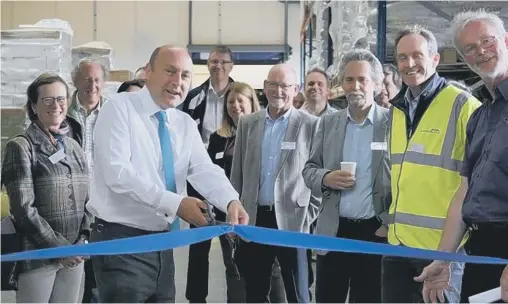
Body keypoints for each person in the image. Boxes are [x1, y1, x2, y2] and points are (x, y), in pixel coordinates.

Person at [86, 45, 249, 303]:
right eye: (170, 71)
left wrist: (230, 200)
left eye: (185, 75)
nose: (177, 81)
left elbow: (203, 168)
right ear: (148, 72)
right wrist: (177, 203)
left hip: (162, 242)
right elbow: (118, 173)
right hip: (122, 241)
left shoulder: (182, 123)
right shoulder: (119, 109)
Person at [381, 25, 481, 303]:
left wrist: (446, 256)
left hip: (441, 250)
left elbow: (475, 183)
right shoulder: (397, 110)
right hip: (398, 244)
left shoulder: (464, 106)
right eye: (402, 57)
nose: (409, 64)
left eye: (417, 55)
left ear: (435, 59)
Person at [415, 10, 508, 303]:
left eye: (487, 41)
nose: (480, 51)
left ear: (505, 41)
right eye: (470, 48)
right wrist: (443, 258)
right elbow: (465, 193)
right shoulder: (480, 117)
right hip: (481, 249)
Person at [303, 49, 391, 303]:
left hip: (375, 232)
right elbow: (309, 169)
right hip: (334, 230)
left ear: (376, 84)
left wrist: (390, 222)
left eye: (362, 80)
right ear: (341, 84)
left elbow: (404, 180)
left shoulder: (393, 123)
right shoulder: (329, 123)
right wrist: (325, 177)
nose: (356, 86)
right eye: (349, 80)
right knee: (328, 298)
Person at [230, 64, 318, 303]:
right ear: (265, 87)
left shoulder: (311, 125)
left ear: (295, 89)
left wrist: (308, 215)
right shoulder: (248, 123)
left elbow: (318, 177)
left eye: (285, 86)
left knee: (298, 292)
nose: (278, 91)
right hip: (255, 218)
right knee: (256, 291)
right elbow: (237, 173)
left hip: (293, 220)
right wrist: (235, 208)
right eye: (273, 84)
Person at [1, 73, 90, 303]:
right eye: (47, 100)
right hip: (39, 256)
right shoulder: (21, 146)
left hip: (75, 254)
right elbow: (23, 210)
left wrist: (83, 239)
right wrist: (59, 249)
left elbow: (89, 199)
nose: (56, 105)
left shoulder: (73, 145)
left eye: (61, 99)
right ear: (33, 106)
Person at [68, 57, 108, 304]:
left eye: (97, 79)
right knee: (67, 265)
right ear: (75, 81)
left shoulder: (114, 113)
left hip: (103, 199)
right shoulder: (61, 112)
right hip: (69, 198)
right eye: (87, 79)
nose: (92, 85)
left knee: (97, 268)